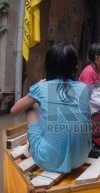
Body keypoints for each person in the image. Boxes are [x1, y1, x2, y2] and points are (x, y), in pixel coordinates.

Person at [10, 43, 92, 173]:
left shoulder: (42, 88)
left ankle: (34, 148)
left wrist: (36, 88)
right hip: (81, 157)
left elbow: (14, 110)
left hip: (49, 160)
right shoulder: (83, 88)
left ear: (48, 66)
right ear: (75, 67)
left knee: (31, 106)